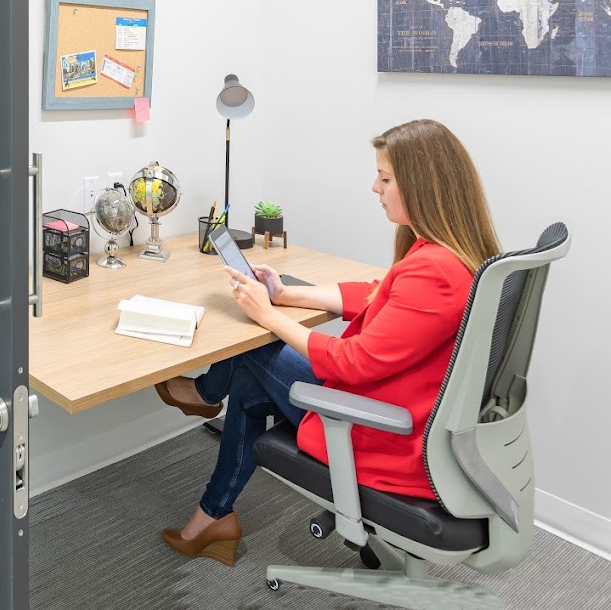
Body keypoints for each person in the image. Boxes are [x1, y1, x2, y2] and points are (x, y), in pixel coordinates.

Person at [153, 119, 499, 568]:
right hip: (403, 404)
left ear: (422, 184)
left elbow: (352, 363)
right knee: (249, 386)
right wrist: (287, 294)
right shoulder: (444, 254)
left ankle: (204, 394)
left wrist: (267, 314)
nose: (374, 186)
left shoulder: (436, 271)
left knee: (252, 349)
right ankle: (212, 515)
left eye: (386, 178)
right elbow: (378, 295)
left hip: (384, 429)